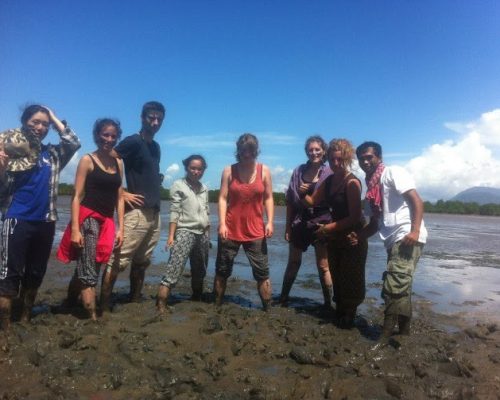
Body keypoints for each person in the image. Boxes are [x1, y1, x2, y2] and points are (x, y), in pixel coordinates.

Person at [0, 105, 81, 330]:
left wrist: (54, 117)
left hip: (46, 221)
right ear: (25, 122)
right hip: (16, 219)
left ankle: (25, 317)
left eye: (44, 124)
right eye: (35, 121)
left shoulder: (53, 154)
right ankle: (5, 327)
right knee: (9, 274)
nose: (40, 127)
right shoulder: (10, 151)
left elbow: (73, 142)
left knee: (36, 273)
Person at [352, 141, 427, 337]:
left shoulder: (393, 172)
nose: (365, 161)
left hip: (407, 236)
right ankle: (404, 333)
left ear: (379, 157)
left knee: (393, 288)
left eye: (369, 157)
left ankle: (384, 338)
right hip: (392, 241)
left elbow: (416, 201)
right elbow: (375, 224)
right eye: (361, 158)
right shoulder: (370, 187)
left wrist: (415, 230)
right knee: (402, 287)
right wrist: (359, 236)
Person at [57, 119, 124, 320]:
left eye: (113, 136)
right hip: (89, 218)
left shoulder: (119, 162)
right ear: (97, 135)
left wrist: (121, 227)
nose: (109, 139)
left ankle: (69, 301)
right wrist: (76, 229)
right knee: (89, 267)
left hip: (107, 221)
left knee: (93, 263)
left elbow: (120, 197)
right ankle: (92, 316)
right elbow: (76, 196)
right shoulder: (87, 160)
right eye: (105, 135)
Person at [100, 101, 165, 311]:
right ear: (142, 118)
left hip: (154, 213)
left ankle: (135, 298)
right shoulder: (133, 142)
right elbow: (108, 158)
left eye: (159, 119)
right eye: (151, 118)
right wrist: (121, 191)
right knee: (118, 260)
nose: (155, 122)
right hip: (136, 213)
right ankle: (104, 304)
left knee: (142, 260)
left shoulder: (155, 147)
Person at [304, 139, 367, 328]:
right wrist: (298, 192)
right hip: (335, 236)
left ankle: (349, 316)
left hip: (353, 236)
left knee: (352, 277)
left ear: (347, 159)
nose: (335, 164)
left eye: (340, 160)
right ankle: (340, 311)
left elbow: (355, 217)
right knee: (337, 275)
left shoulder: (352, 182)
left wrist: (327, 228)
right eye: (332, 160)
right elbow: (312, 201)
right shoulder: (329, 180)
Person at [214, 133, 274, 310]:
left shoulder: (265, 170)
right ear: (238, 151)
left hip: (256, 231)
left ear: (256, 151)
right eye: (243, 151)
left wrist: (270, 221)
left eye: (250, 151)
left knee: (262, 273)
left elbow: (269, 198)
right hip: (230, 229)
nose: (246, 154)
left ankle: (268, 308)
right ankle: (216, 304)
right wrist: (222, 223)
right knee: (222, 270)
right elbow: (223, 198)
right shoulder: (228, 171)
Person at [279, 136, 333, 308]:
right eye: (310, 149)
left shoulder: (329, 173)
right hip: (299, 221)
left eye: (317, 149)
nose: (314, 152)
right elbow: (290, 201)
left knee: (323, 266)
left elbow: (334, 201)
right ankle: (283, 298)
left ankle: (327, 303)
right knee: (293, 262)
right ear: (306, 152)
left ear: (324, 151)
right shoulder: (298, 172)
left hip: (322, 222)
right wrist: (288, 227)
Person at [156, 155, 210, 312]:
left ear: (203, 170)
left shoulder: (204, 188)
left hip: (202, 233)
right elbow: (174, 212)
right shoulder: (178, 185)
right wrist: (171, 237)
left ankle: (196, 297)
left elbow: (206, 211)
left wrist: (208, 234)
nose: (196, 171)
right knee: (174, 269)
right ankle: (161, 303)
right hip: (184, 231)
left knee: (200, 270)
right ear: (187, 168)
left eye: (199, 169)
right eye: (193, 168)